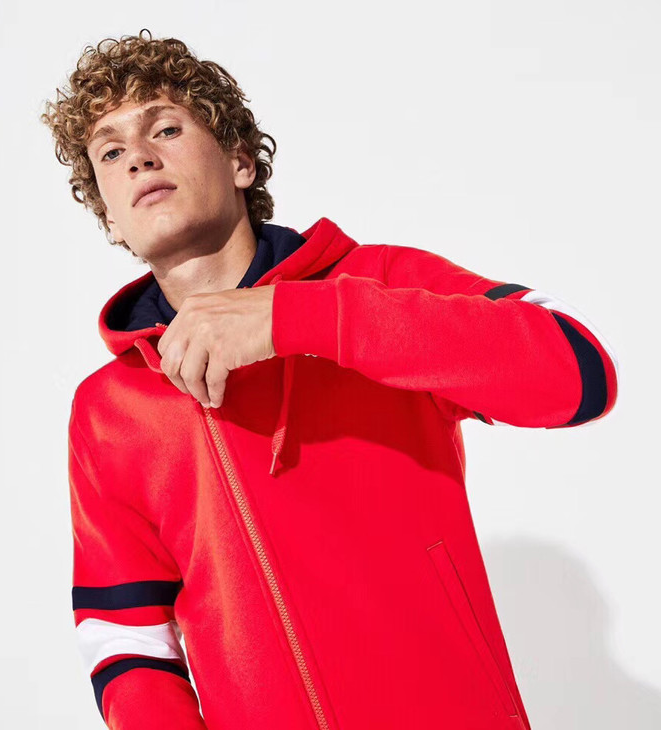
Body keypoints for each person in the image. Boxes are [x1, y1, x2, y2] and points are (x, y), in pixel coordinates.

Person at [40, 28, 619, 730]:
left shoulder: (377, 285)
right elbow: (125, 636)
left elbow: (581, 371)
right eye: (110, 151)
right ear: (108, 215)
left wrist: (299, 319)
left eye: (165, 128)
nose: (138, 156)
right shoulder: (110, 410)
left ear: (240, 161)